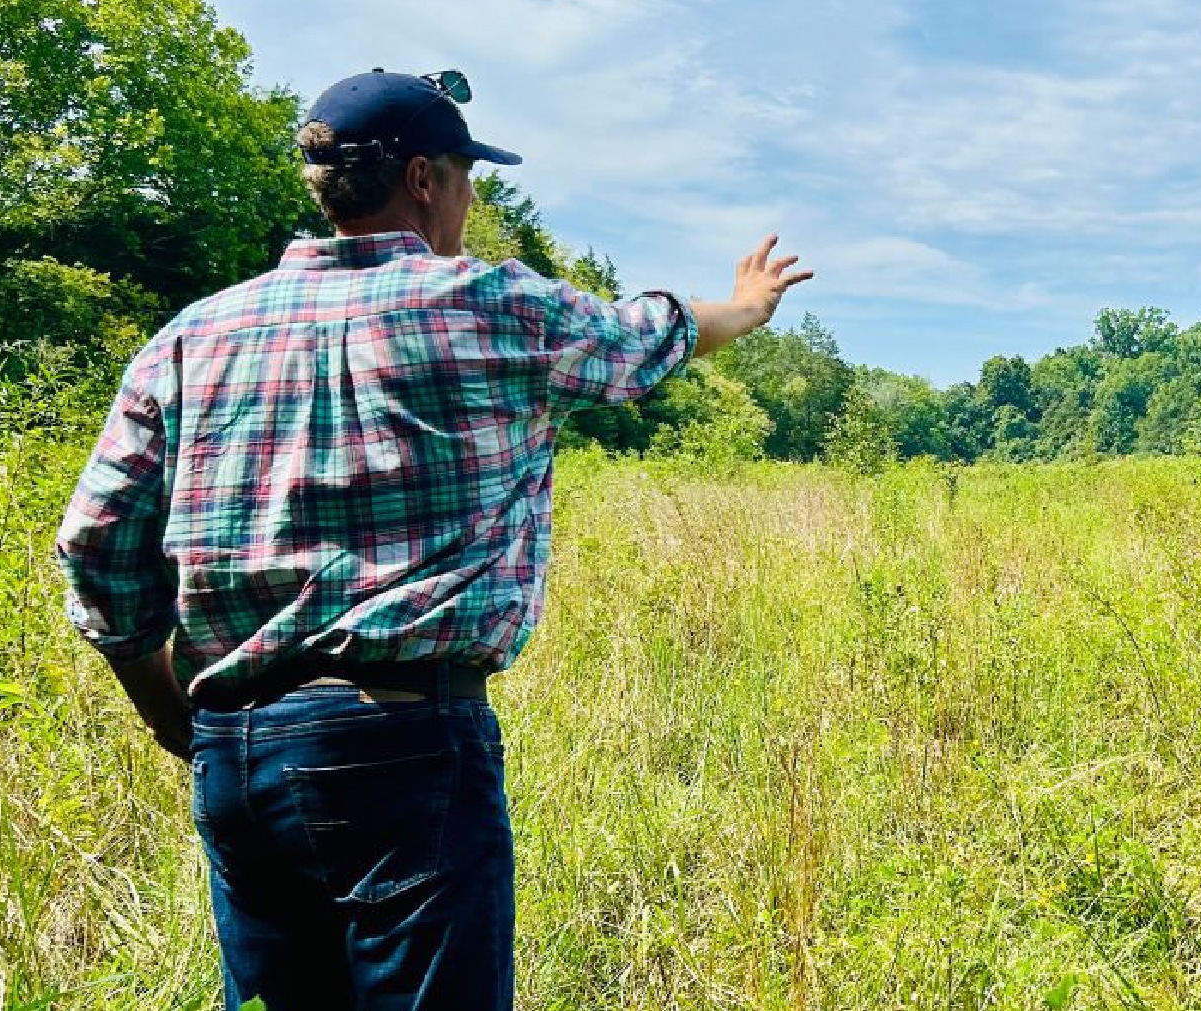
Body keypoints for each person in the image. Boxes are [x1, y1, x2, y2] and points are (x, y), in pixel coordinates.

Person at [54, 67, 812, 1011]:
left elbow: (94, 540)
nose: (469, 196)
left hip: (237, 754)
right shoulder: (489, 304)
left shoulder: (191, 336)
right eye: (465, 176)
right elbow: (643, 339)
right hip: (404, 742)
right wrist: (744, 305)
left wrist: (168, 708)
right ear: (422, 178)